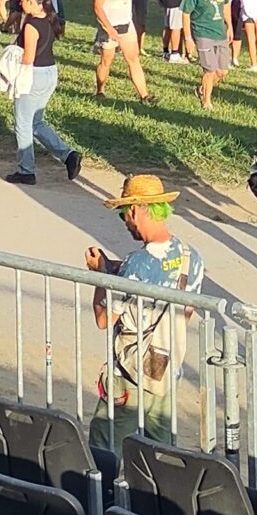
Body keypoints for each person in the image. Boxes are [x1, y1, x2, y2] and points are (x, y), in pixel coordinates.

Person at [85, 174, 206, 447]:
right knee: (160, 455)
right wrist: (117, 269)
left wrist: (101, 276)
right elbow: (185, 313)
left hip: (128, 375)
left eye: (123, 215)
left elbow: (104, 319)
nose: (125, 222)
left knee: (104, 446)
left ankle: (102, 491)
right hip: (164, 369)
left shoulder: (136, 263)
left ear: (136, 211)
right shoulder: (191, 257)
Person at [6, 0, 83, 184]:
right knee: (36, 122)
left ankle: (26, 170)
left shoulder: (31, 25)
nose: (19, 3)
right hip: (49, 72)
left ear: (32, 2)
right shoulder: (49, 19)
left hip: (33, 74)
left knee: (23, 124)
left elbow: (28, 57)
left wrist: (10, 65)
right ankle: (68, 155)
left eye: (22, 0)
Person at [93, 0, 149, 101]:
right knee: (106, 61)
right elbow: (97, 7)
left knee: (133, 59)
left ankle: (144, 95)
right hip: (110, 26)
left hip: (126, 24)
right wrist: (108, 29)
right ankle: (100, 90)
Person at [181, 0, 236, 111]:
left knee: (222, 71)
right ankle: (206, 101)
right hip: (202, 32)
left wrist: (229, 26)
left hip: (220, 32)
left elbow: (225, 5)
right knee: (209, 70)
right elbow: (185, 13)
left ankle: (202, 89)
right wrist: (188, 38)